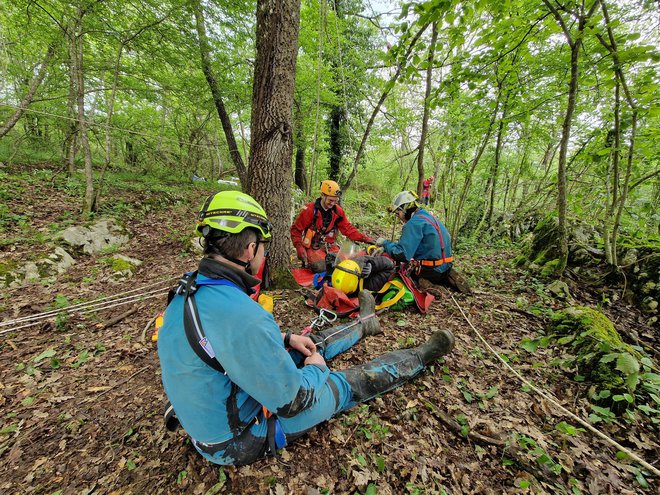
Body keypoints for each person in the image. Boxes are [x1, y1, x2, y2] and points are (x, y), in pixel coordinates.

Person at [158, 190, 455, 466]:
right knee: (345, 383)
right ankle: (419, 357)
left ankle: (364, 324)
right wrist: (316, 368)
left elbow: (218, 341)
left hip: (213, 407)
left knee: (307, 342)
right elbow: (294, 401)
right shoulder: (245, 314)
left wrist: (286, 338)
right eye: (263, 247)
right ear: (250, 249)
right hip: (237, 439)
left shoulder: (187, 289)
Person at [376, 191, 470, 294]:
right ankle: (447, 277)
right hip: (446, 266)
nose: (399, 218)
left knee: (404, 274)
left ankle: (429, 285)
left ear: (404, 209)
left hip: (431, 271)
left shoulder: (413, 224)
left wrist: (385, 243)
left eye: (398, 213)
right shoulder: (428, 217)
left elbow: (402, 254)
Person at [291, 180, 375, 273]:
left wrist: (364, 238)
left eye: (335, 201)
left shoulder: (337, 212)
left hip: (331, 247)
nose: (332, 204)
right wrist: (299, 247)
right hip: (314, 247)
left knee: (346, 264)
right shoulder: (310, 210)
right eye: (330, 200)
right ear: (322, 195)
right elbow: (296, 230)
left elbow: (348, 229)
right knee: (321, 267)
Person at [331, 255, 396, 296]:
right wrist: (371, 265)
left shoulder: (349, 287)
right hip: (380, 270)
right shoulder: (371, 286)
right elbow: (389, 265)